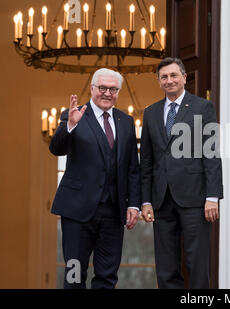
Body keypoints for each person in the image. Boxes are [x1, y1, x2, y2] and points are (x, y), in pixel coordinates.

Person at [49, 68, 141, 289]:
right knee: (74, 275)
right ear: (92, 89)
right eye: (102, 88)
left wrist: (134, 204)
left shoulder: (126, 121)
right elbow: (56, 148)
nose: (107, 93)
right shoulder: (73, 114)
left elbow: (132, 169)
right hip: (77, 212)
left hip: (113, 212)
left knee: (108, 277)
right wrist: (70, 125)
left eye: (113, 89)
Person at [140, 57, 223, 289]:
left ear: (184, 78)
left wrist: (212, 196)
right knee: (166, 267)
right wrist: (145, 200)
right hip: (161, 199)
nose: (169, 81)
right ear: (158, 81)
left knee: (197, 263)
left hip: (195, 199)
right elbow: (146, 161)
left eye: (174, 75)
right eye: (164, 77)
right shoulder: (151, 113)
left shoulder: (203, 107)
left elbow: (212, 152)